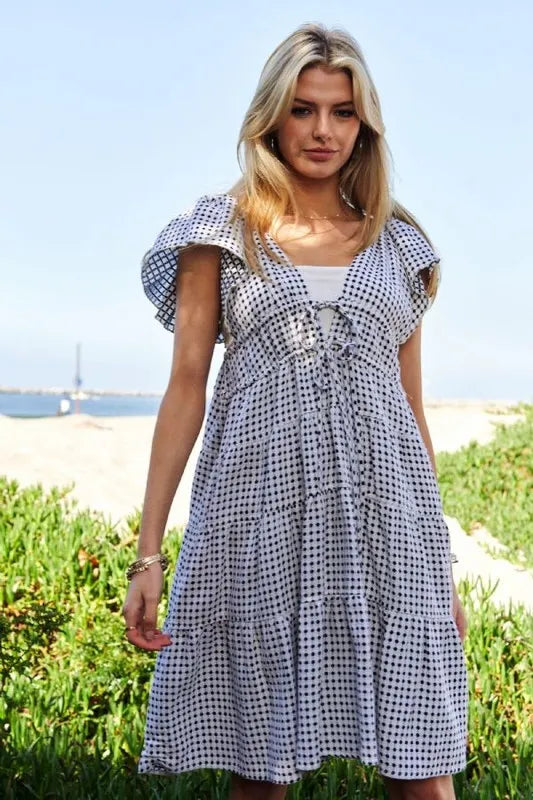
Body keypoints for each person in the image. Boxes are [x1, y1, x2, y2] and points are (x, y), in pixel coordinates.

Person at [122, 22, 469, 800]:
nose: (322, 131)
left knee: (422, 771)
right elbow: (186, 386)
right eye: (303, 109)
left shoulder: (399, 245)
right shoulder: (220, 232)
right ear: (271, 117)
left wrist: (438, 561)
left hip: (388, 525)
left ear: (364, 125)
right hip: (258, 519)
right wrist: (149, 554)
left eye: (342, 112)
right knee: (261, 772)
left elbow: (411, 414)